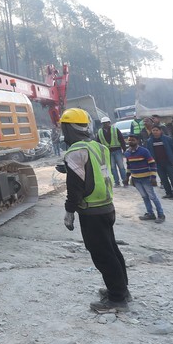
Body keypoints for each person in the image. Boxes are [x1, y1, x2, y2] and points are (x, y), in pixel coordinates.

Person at [58, 108, 129, 312]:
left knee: (102, 254)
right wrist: (68, 168)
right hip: (107, 207)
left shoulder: (75, 152)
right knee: (112, 250)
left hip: (91, 211)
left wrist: (69, 211)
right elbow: (94, 171)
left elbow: (75, 187)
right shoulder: (97, 146)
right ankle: (122, 290)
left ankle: (117, 298)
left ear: (68, 128)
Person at [123, 134, 165, 223]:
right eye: (129, 140)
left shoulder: (144, 151)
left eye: (132, 140)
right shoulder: (127, 152)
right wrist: (127, 177)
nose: (130, 142)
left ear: (137, 141)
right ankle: (150, 214)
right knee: (144, 197)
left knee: (152, 197)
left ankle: (161, 215)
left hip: (146, 178)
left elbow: (152, 163)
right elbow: (129, 166)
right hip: (136, 179)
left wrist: (153, 177)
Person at [146, 125, 173, 200]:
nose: (155, 132)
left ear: (160, 131)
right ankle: (168, 193)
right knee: (163, 179)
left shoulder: (168, 139)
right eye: (153, 130)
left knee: (172, 178)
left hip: (168, 162)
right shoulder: (149, 141)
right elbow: (148, 152)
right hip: (158, 163)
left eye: (156, 130)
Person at [96, 116, 127, 187]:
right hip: (107, 152)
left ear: (109, 123)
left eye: (106, 123)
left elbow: (121, 140)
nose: (105, 124)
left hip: (117, 150)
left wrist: (124, 150)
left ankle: (125, 181)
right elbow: (98, 143)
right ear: (102, 124)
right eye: (104, 123)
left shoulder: (115, 129)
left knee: (121, 166)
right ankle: (117, 182)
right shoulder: (100, 132)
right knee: (112, 168)